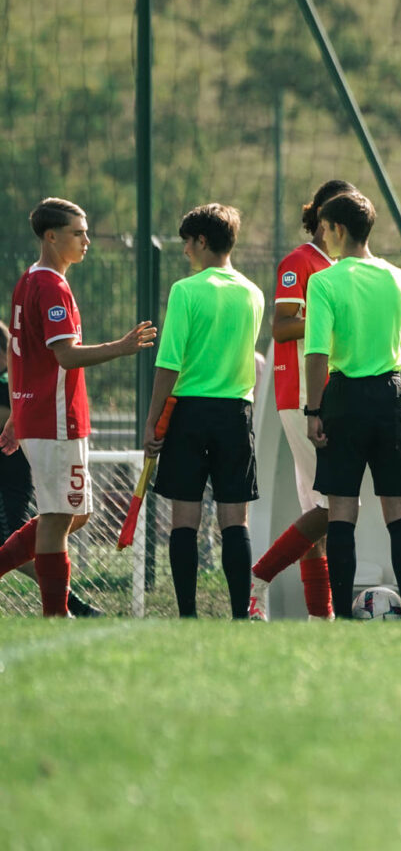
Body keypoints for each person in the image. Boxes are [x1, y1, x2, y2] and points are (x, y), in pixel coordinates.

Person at [0, 198, 156, 616]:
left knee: (75, 514)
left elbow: (18, 356)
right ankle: (57, 614)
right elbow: (65, 356)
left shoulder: (29, 279)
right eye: (78, 232)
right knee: (57, 517)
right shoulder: (50, 285)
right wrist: (120, 348)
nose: (87, 239)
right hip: (53, 418)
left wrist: (16, 412)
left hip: (42, 415)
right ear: (51, 237)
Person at [301, 192, 401, 620]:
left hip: (344, 396)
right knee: (399, 509)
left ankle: (341, 617)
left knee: (342, 509)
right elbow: (400, 333)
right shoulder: (398, 278)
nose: (322, 236)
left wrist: (313, 411)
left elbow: (316, 353)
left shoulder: (324, 281)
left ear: (336, 229)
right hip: (391, 393)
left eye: (324, 228)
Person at [143, 205, 265, 619]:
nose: (184, 252)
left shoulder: (185, 291)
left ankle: (188, 616)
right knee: (235, 520)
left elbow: (169, 364)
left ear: (202, 242)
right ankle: (239, 615)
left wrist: (152, 419)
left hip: (189, 413)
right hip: (236, 413)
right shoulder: (253, 293)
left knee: (185, 519)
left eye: (187, 243)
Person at [249, 180, 355, 621]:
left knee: (319, 510)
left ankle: (319, 616)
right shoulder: (299, 261)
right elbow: (281, 325)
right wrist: (330, 319)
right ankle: (255, 580)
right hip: (305, 397)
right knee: (335, 506)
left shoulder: (337, 265)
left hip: (329, 395)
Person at [0, 322, 100, 617]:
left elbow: (11, 418)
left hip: (9, 487)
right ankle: (67, 607)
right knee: (48, 529)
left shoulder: (9, 384)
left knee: (44, 531)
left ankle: (69, 604)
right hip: (15, 482)